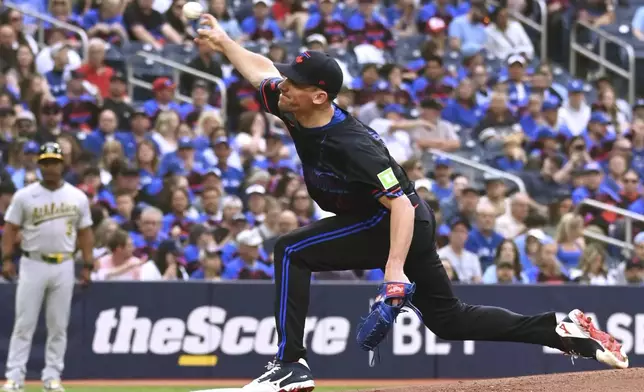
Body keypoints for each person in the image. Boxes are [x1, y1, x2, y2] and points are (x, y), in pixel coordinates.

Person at [195, 13, 629, 392]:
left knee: (290, 250)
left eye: (295, 83)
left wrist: (394, 271)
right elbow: (260, 71)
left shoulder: (354, 145)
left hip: (391, 220)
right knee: (449, 319)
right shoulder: (295, 104)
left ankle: (289, 366)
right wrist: (224, 42)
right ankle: (559, 329)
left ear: (320, 96)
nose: (283, 86)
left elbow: (399, 203)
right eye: (288, 80)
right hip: (395, 218)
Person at [1, 142, 94, 392]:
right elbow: (10, 228)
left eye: (54, 162)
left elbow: (85, 232)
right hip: (33, 262)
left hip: (64, 262)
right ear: (40, 165)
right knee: (24, 323)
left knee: (58, 324)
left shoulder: (77, 196)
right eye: (45, 163)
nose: (50, 167)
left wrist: (87, 264)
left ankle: (52, 376)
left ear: (63, 164)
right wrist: (7, 258)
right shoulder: (25, 196)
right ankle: (14, 377)